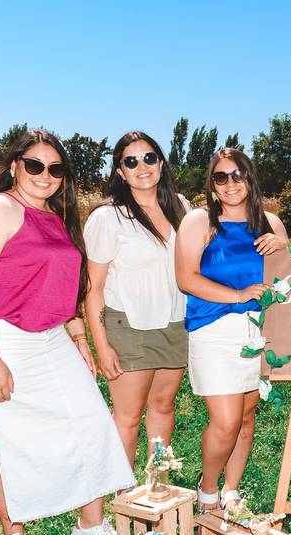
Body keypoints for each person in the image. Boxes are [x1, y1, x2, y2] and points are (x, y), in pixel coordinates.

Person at [0, 130, 135, 535]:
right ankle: (12, 534)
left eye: (55, 169)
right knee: (4, 434)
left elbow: (63, 288)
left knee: (92, 421)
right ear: (15, 166)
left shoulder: (56, 217)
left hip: (51, 336)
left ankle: (89, 526)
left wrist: (77, 337)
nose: (45, 175)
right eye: (34, 165)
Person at [175, 148, 289, 512]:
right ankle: (207, 489)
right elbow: (185, 278)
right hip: (213, 329)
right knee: (225, 420)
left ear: (251, 179)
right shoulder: (199, 222)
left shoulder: (271, 223)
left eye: (237, 174)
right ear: (211, 185)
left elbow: (288, 280)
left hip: (260, 330)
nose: (230, 183)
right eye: (221, 177)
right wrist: (237, 295)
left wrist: (286, 249)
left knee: (245, 418)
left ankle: (232, 490)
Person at [83, 132, 190, 467]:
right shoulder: (108, 217)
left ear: (161, 162)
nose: (141, 166)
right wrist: (103, 346)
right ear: (120, 171)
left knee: (163, 407)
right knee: (128, 418)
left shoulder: (182, 207)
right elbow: (93, 288)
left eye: (149, 158)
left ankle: (156, 487)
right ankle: (123, 498)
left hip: (175, 323)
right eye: (131, 161)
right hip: (127, 326)